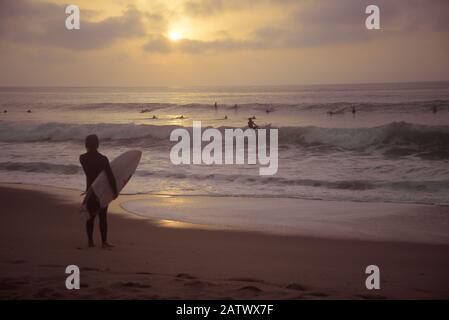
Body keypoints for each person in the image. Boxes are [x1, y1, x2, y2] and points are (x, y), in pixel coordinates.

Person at [80, 134, 118, 249]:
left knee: (90, 217)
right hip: (101, 192)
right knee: (103, 218)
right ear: (97, 144)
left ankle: (90, 242)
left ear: (86, 144)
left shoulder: (82, 158)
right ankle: (104, 242)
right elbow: (110, 176)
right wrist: (115, 190)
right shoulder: (103, 159)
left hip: (90, 191)